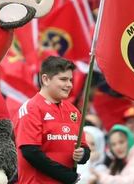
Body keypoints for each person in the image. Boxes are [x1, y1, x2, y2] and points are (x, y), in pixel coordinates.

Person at [16, 56, 90, 184]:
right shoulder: (31, 108)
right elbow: (30, 152)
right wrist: (66, 175)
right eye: (63, 79)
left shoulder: (73, 111)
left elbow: (84, 147)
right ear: (45, 79)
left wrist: (83, 154)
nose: (69, 85)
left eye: (70, 80)